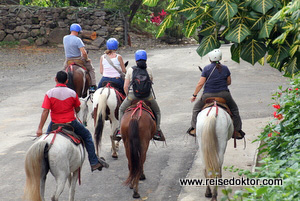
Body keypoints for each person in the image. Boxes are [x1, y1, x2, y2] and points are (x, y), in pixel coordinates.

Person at [36, 70, 108, 172]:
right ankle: (94, 162)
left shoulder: (49, 93)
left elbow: (45, 111)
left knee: (45, 141)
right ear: (67, 81)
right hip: (71, 123)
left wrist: (40, 128)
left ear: (55, 79)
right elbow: (77, 109)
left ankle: (41, 165)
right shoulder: (72, 93)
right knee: (87, 136)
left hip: (54, 124)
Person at [187, 49, 245, 139]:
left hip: (208, 95)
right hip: (224, 95)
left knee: (196, 109)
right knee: (234, 109)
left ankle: (194, 128)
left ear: (210, 58)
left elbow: (200, 84)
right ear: (220, 58)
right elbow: (229, 82)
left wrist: (194, 95)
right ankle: (237, 131)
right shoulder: (225, 68)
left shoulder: (206, 68)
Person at [117, 50, 165, 141]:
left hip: (133, 96)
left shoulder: (131, 70)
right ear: (146, 59)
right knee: (157, 111)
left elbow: (125, 86)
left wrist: (128, 96)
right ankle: (157, 131)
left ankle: (119, 130)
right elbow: (150, 83)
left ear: (136, 60)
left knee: (121, 109)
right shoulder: (149, 70)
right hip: (148, 96)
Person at [63, 23, 97, 93]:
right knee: (91, 69)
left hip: (68, 60)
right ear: (77, 31)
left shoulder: (65, 38)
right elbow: (84, 52)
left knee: (62, 72)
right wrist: (86, 59)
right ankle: (92, 86)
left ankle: (59, 86)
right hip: (78, 59)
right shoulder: (78, 40)